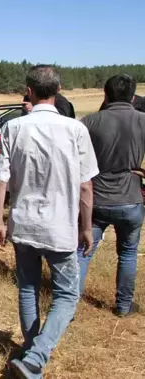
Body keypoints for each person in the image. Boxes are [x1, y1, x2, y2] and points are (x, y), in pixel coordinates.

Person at [0, 65, 97, 378]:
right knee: (66, 295)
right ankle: (36, 356)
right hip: (60, 226)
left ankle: (28, 353)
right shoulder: (75, 129)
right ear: (58, 89)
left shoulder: (13, 128)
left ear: (29, 90)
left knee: (28, 288)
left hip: (23, 222)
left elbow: (1, 179)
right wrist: (86, 226)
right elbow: (85, 186)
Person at [78, 74, 145, 317]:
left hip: (96, 199)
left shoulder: (89, 122)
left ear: (105, 95)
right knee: (128, 253)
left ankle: (69, 303)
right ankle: (124, 306)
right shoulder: (142, 120)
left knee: (83, 251)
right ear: (134, 96)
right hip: (131, 199)